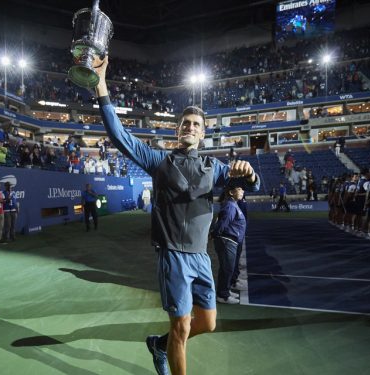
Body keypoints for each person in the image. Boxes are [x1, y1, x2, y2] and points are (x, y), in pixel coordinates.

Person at [93, 55, 259, 375]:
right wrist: (101, 85)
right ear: (178, 130)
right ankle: (169, 350)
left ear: (202, 133)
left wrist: (249, 174)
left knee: (207, 323)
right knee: (182, 327)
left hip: (200, 256)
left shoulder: (214, 167)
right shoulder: (160, 162)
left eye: (196, 125)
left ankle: (159, 344)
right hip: (173, 256)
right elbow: (119, 136)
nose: (190, 127)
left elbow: (249, 181)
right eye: (185, 123)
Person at [211, 185, 246, 304]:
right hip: (227, 241)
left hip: (231, 240)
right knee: (227, 268)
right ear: (231, 192)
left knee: (228, 268)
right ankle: (223, 295)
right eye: (239, 189)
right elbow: (223, 223)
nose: (242, 191)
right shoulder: (230, 205)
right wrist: (215, 234)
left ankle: (226, 291)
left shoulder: (233, 204)